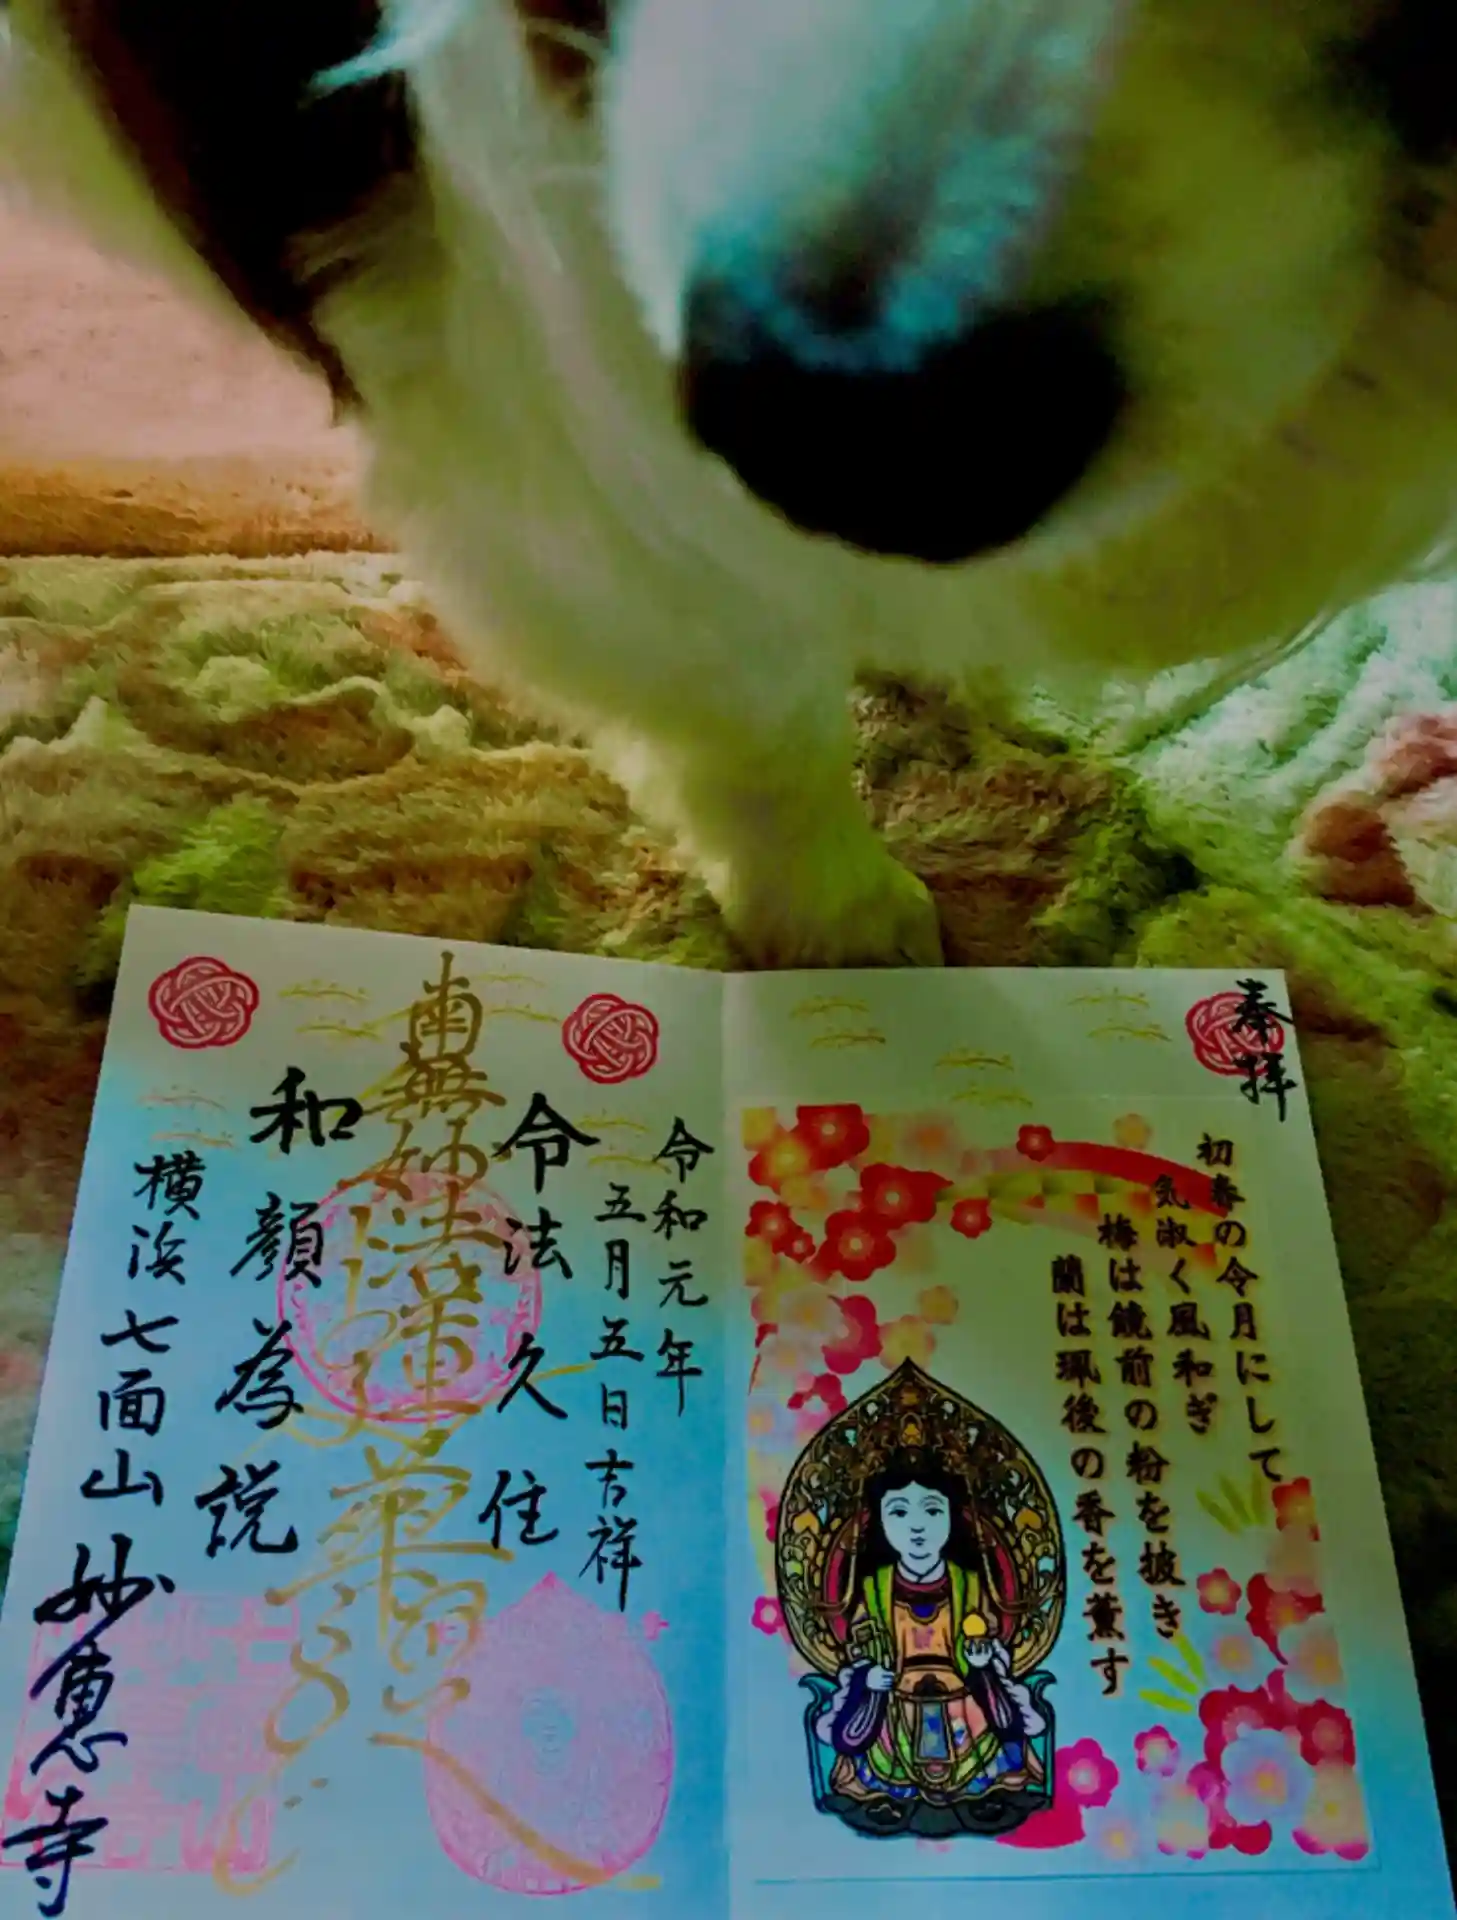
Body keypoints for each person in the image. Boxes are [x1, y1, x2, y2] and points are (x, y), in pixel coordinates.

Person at [816, 1454, 1046, 1825]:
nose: (917, 1527)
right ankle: (886, 1791)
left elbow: (989, 1637)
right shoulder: (873, 1589)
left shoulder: (971, 1585)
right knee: (877, 1725)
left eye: (933, 1511)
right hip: (895, 1697)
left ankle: (982, 1788)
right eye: (899, 1512)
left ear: (952, 1517)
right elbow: (859, 1649)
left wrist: (981, 1660)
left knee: (987, 1717)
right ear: (880, 1521)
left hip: (962, 1696)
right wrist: (869, 1677)